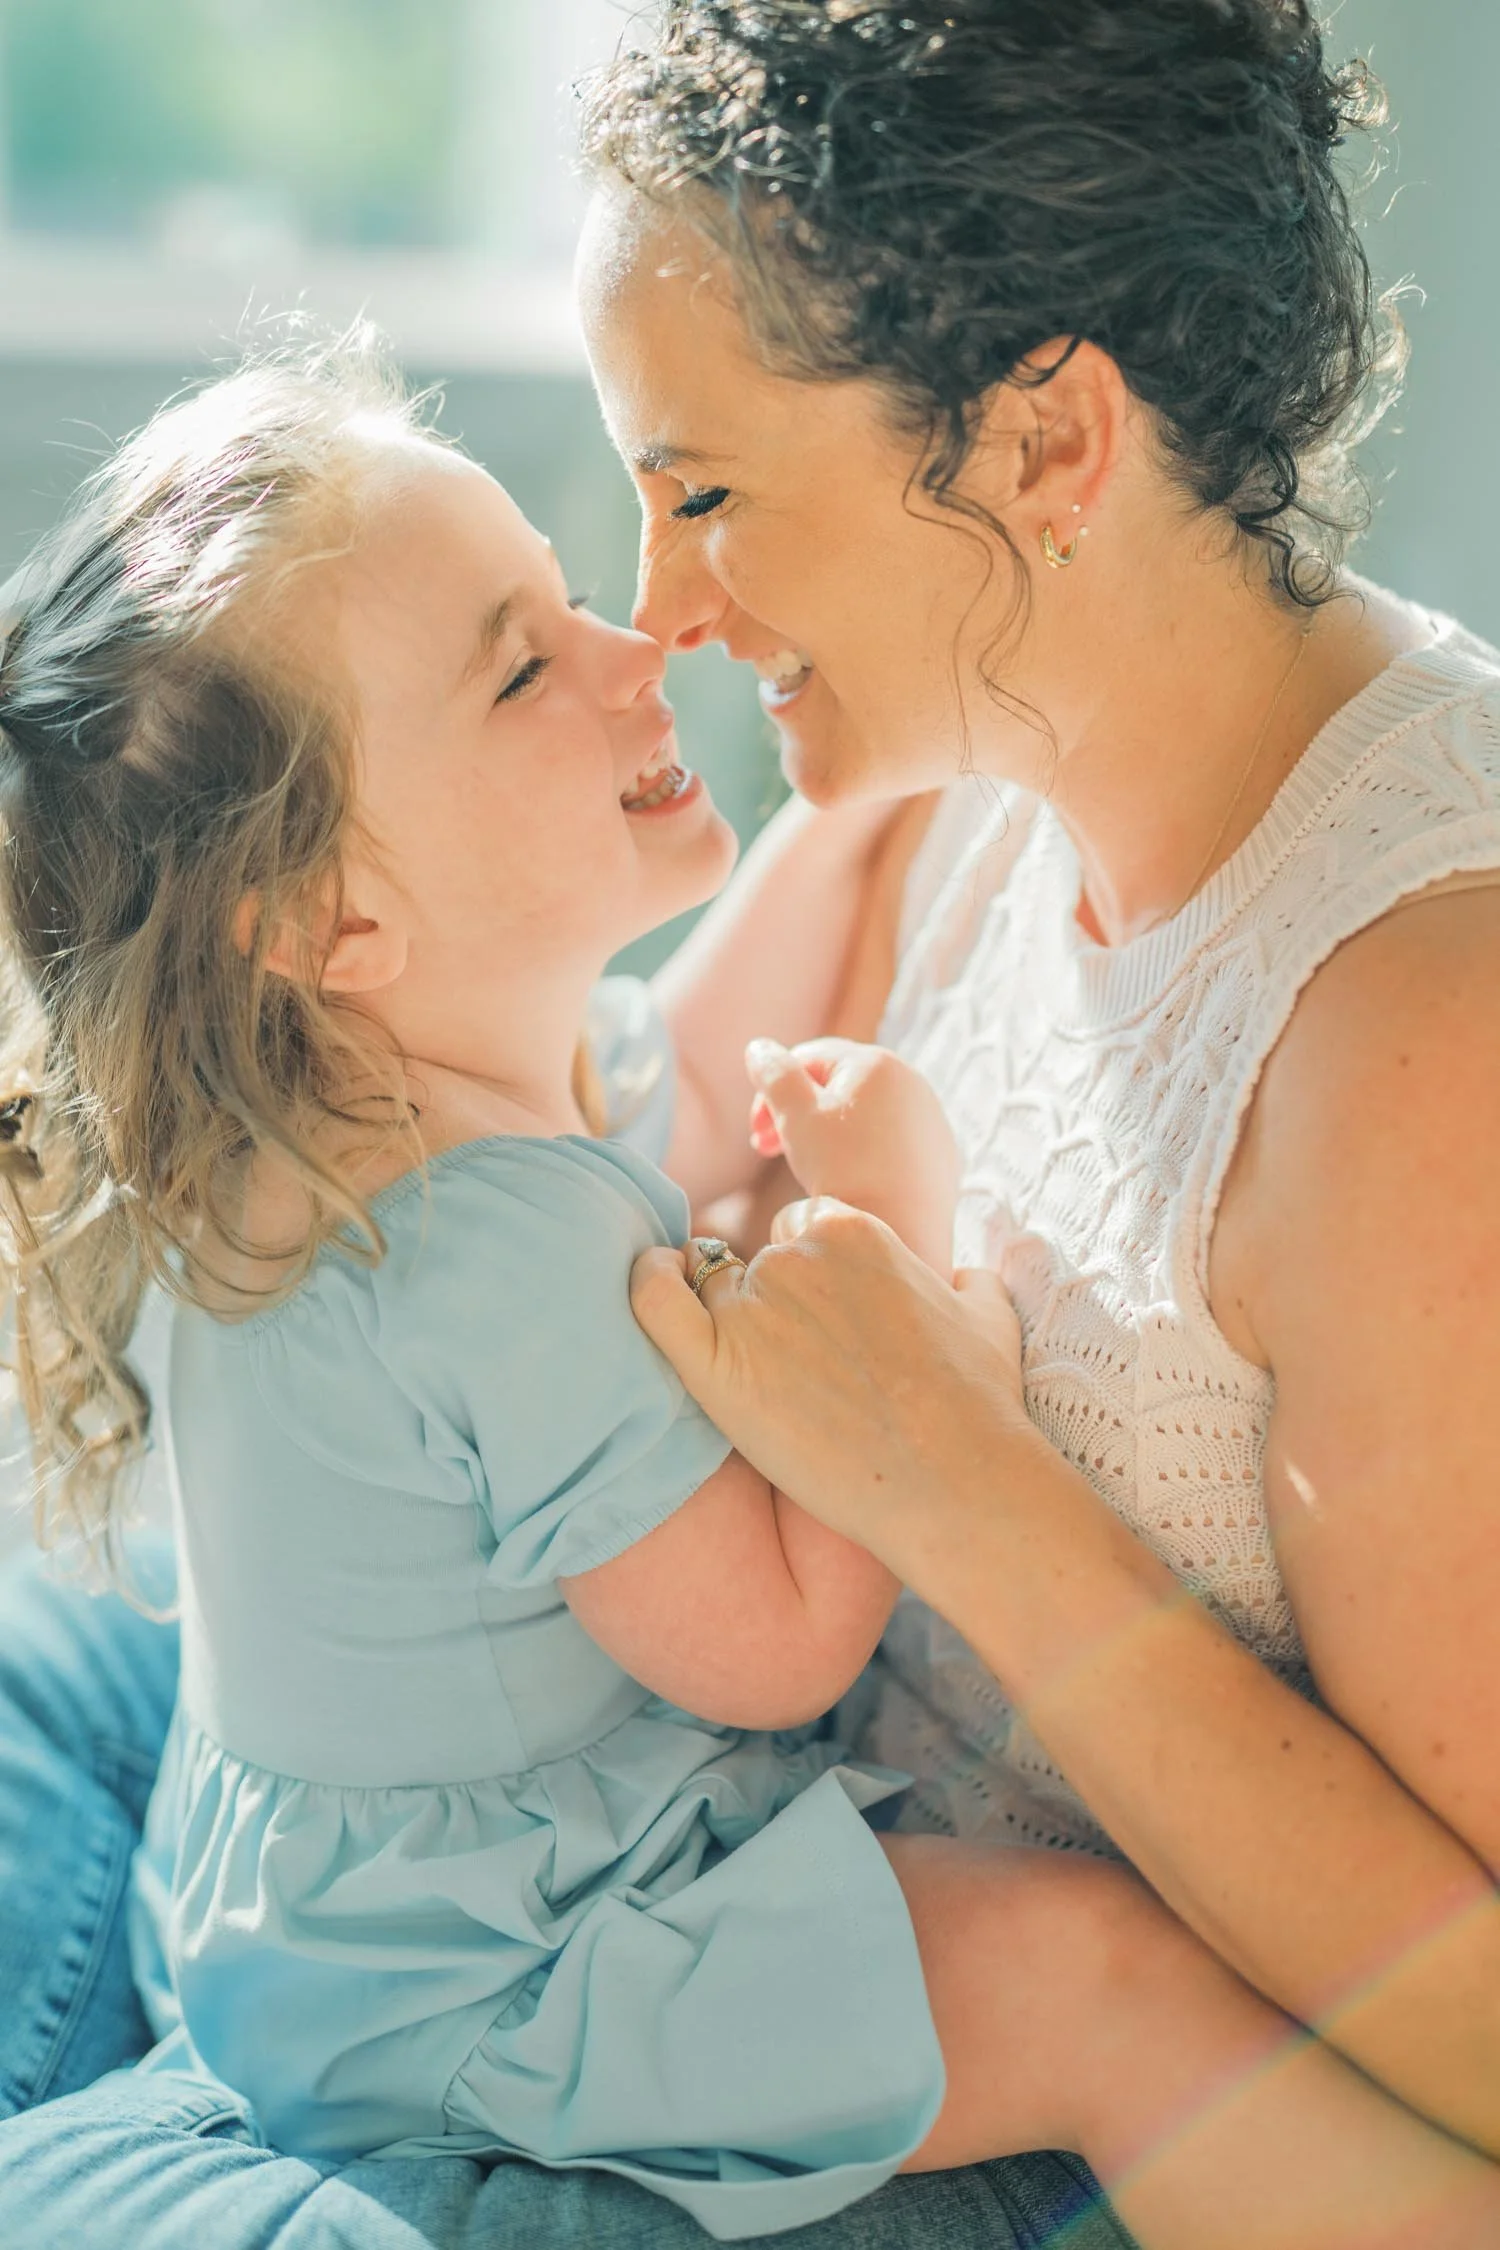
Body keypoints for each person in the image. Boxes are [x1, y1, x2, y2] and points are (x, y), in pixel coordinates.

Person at [1, 0, 1495, 2244]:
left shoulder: (1416, 1028)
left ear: (1042, 447)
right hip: (627, 1798)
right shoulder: (971, 737)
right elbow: (606, 1159)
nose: (659, 610)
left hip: (846, 1940)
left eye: (699, 491)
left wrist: (954, 1475)